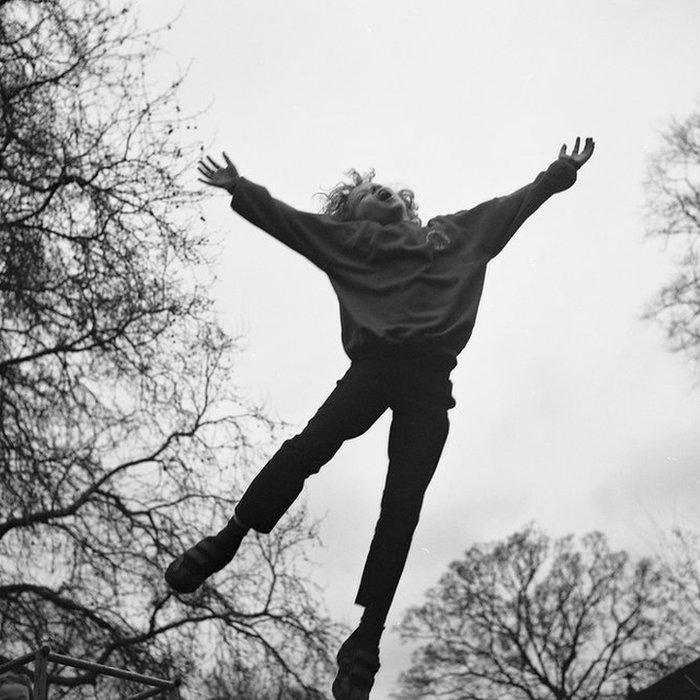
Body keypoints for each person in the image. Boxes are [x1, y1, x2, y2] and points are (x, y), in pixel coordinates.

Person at [165, 137, 595, 699]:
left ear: (407, 204)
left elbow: (512, 207)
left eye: (386, 186)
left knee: (403, 506)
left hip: (430, 382)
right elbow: (293, 224)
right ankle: (227, 538)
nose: (382, 190)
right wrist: (240, 189)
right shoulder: (347, 242)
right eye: (368, 191)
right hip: (374, 367)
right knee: (308, 448)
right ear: (353, 212)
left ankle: (365, 642)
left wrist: (559, 172)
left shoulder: (453, 235)